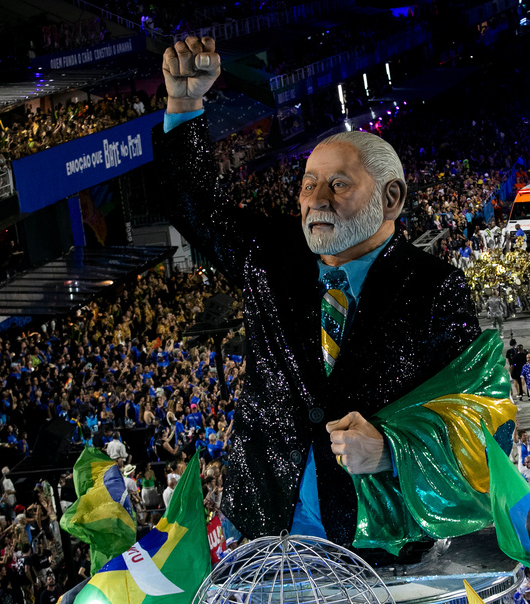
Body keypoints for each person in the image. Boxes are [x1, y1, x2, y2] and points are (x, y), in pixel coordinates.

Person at [157, 37, 498, 549]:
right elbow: (196, 207)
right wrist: (185, 106)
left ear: (391, 197)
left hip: (374, 543)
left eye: (338, 185)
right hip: (264, 525)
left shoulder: (434, 287)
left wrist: (392, 449)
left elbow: (474, 411)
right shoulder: (268, 256)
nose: (315, 200)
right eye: (308, 183)